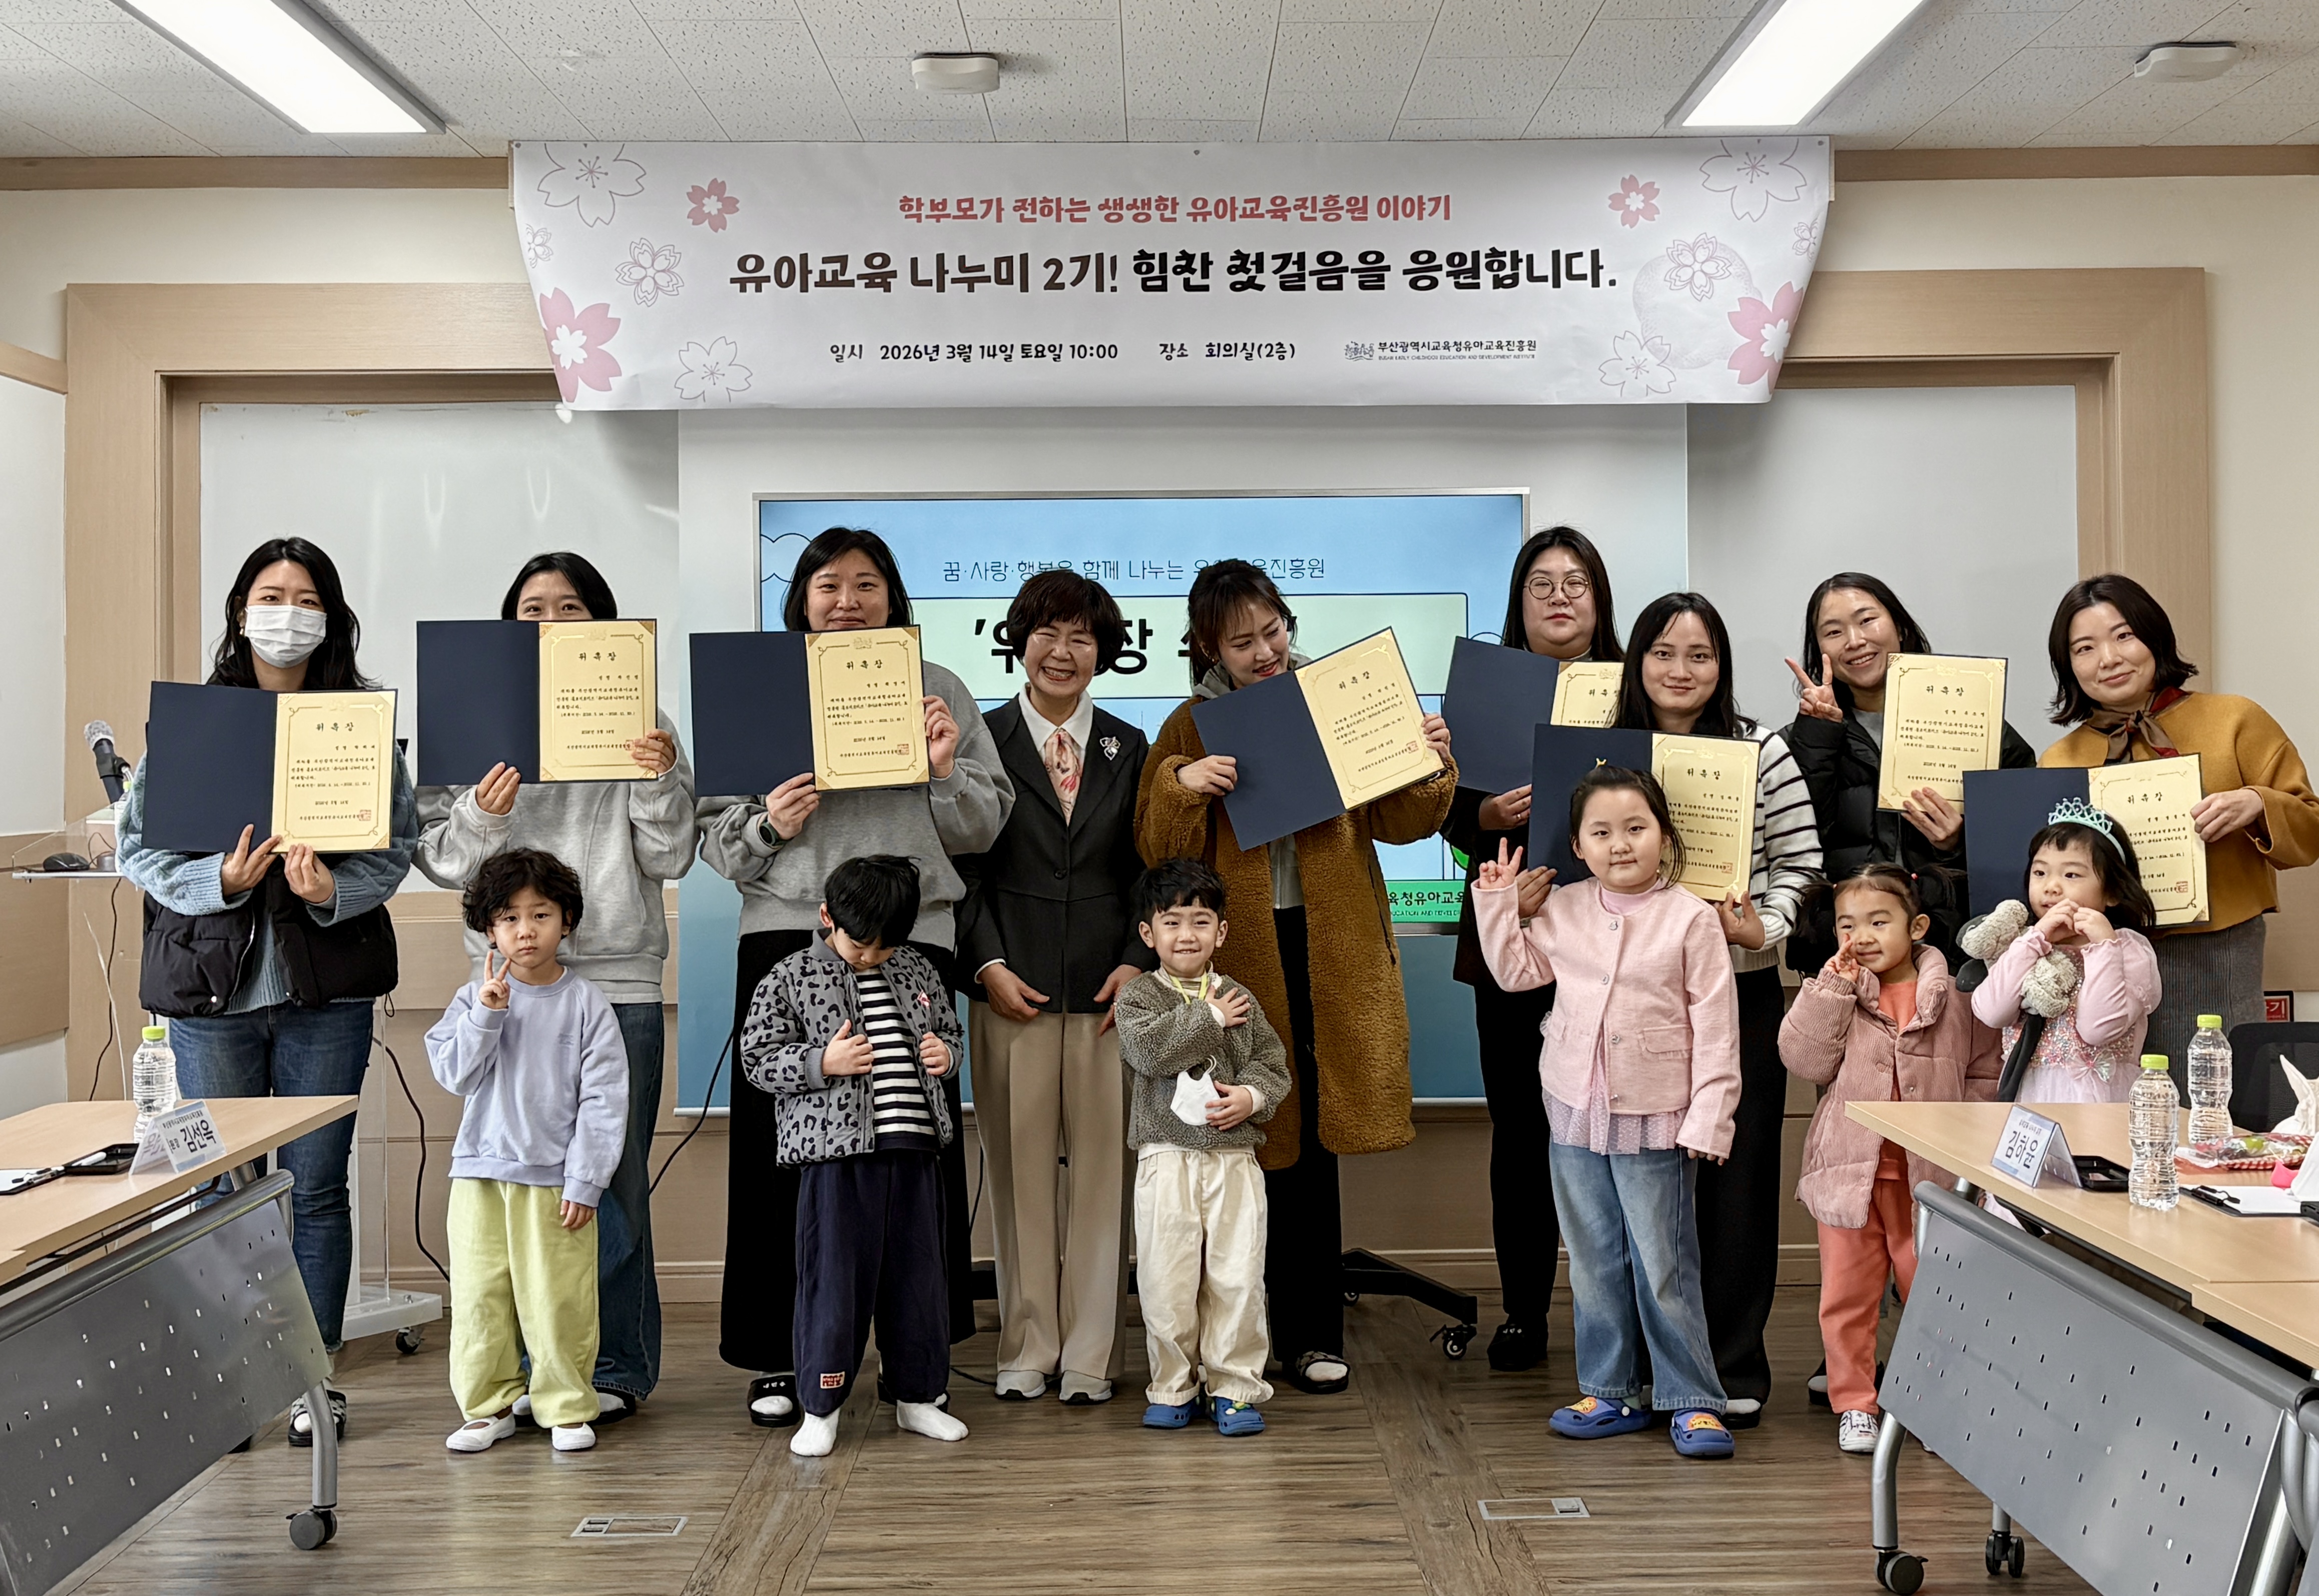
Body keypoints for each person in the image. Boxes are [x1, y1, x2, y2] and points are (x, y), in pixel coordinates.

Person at [698, 528, 1013, 1427]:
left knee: (912, 1146)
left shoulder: (940, 686)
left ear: (893, 598)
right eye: (827, 584)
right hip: (792, 934)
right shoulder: (758, 687)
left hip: (915, 940)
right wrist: (767, 824)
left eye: (866, 585)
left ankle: (917, 1362)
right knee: (781, 1158)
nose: (847, 601)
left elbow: (984, 825)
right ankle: (778, 1357)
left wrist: (947, 772)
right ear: (799, 598)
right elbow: (715, 839)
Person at [116, 536, 416, 1447]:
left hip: (328, 993)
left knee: (317, 1190)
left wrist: (334, 893)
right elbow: (139, 851)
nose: (287, 610)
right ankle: (236, 1377)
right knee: (222, 1193)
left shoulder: (359, 722)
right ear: (241, 610)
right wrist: (223, 883)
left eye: (306, 596)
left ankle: (310, 1378)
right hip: (214, 999)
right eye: (270, 593)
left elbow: (395, 849)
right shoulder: (196, 723)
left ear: (330, 615)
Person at [1136, 559, 1457, 1396]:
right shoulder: (1188, 723)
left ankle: (1313, 1333)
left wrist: (1427, 762)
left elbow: (1403, 818)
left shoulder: (1340, 696)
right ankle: (1234, 1341)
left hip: (1330, 945)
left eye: (1271, 629)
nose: (1263, 649)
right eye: (1241, 641)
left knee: (1311, 1139)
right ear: (1208, 646)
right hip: (1237, 956)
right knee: (1244, 1143)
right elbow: (1151, 847)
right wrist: (1182, 785)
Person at [414, 550, 695, 1424]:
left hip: (616, 976)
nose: (550, 622)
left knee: (608, 1184)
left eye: (570, 607)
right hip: (508, 990)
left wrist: (657, 777)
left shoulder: (640, 715)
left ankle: (611, 1370)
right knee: (524, 1192)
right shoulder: (471, 716)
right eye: (532, 609)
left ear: (603, 624)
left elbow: (671, 853)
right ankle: (535, 1378)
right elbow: (440, 861)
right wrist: (482, 814)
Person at [1470, 768, 1741, 1458]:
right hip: (1572, 1115)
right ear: (1578, 846)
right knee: (1591, 1261)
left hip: (1656, 1115)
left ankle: (1691, 1397)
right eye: (1601, 832)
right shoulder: (1562, 906)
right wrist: (1499, 904)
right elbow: (1514, 973)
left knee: (1663, 1263)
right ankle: (1610, 1388)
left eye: (1635, 828)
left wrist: (1710, 1116)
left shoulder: (1691, 917)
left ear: (1663, 836)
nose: (1619, 844)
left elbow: (1716, 1026)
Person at [1614, 591, 1821, 1428]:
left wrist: (1759, 927)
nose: (1679, 670)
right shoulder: (1605, 751)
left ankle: (1732, 1362)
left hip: (1735, 984)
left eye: (1698, 655)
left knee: (1734, 1179)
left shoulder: (1758, 748)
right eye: (1662, 652)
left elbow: (1801, 865)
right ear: (1636, 661)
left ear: (1720, 667)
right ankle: (1639, 1363)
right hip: (1629, 994)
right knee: (1637, 1178)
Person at [953, 571, 1150, 1405]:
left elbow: (1144, 865)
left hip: (1107, 994)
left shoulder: (1128, 747)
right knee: (1019, 1173)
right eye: (1046, 633)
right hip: (1012, 988)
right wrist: (985, 963)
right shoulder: (978, 741)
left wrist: (1136, 962)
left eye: (1080, 637)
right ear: (1017, 640)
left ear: (1103, 652)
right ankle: (1028, 1345)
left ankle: (1090, 1357)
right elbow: (960, 869)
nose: (1061, 652)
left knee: (1106, 1177)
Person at [1440, 525, 1622, 1371]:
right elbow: (1443, 814)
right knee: (1519, 1130)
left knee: (1616, 1129)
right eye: (1540, 582)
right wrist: (1483, 816)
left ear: (1599, 599)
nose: (1558, 596)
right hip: (1510, 937)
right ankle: (1521, 1310)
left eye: (1575, 582)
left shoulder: (1637, 686)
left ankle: (1613, 1315)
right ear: (1517, 599)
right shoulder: (1484, 688)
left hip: (1619, 944)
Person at [2037, 573, 2319, 1073]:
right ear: (2068, 666)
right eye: (2084, 648)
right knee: (2113, 1103)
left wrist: (2258, 803)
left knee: (2218, 1100)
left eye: (2123, 635)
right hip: (2097, 955)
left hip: (2216, 949)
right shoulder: (2059, 759)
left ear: (2154, 635)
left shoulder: (2234, 718)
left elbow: (2309, 832)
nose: (2107, 658)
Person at [738, 855, 971, 1459]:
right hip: (836, 1162)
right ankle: (820, 1405)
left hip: (915, 1151)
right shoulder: (789, 976)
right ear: (825, 917)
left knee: (918, 1280)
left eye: (885, 947)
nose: (871, 956)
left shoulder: (917, 966)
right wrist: (823, 1063)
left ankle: (918, 1397)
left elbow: (951, 1030)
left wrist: (947, 1054)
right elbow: (758, 1059)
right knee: (833, 1285)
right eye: (860, 943)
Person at [1778, 865, 2000, 1454]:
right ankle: (1854, 1403)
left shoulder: (1957, 998)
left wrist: (1965, 1130)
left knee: (1934, 1293)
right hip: (1848, 1171)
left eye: (1879, 921)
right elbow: (1801, 1059)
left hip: (1930, 1180)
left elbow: (1986, 1070)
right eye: (1848, 925)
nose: (1862, 937)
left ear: (1917, 926)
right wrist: (1828, 988)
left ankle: (1932, 1401)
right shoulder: (1839, 993)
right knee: (1847, 1297)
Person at [426, 849, 629, 1455]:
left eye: (540, 915)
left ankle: (565, 1405)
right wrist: (487, 1016)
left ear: (566, 921)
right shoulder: (473, 998)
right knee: (480, 1296)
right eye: (509, 918)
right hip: (479, 1175)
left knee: (558, 1299)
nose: (525, 930)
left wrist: (585, 1180)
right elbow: (455, 1075)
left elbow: (605, 1100)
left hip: (554, 1182)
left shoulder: (587, 1003)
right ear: (489, 929)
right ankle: (488, 1406)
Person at [1114, 859, 1292, 1438]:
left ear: (1220, 931)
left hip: (1233, 1159)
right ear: (1149, 934)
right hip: (1166, 1157)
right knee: (1167, 1278)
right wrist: (1206, 1016)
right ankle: (1172, 1385)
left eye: (1199, 921)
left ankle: (1235, 1388)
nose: (1185, 934)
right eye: (1171, 922)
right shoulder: (1138, 998)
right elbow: (1149, 1053)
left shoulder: (1241, 996)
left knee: (1237, 1276)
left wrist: (1250, 1097)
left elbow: (1272, 1065)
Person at [1784, 573, 2038, 966]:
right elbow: (1797, 839)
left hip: (1953, 943)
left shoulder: (1972, 716)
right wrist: (1820, 734)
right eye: (1834, 632)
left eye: (1867, 620)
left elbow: (2027, 832)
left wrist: (1960, 841)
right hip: (1846, 951)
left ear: (1900, 626)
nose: (1855, 641)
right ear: (1819, 650)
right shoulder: (1806, 738)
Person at [1965, 810, 2162, 1105]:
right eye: (2040, 873)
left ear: (2113, 892)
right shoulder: (2026, 944)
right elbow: (1991, 1012)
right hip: (2030, 1099)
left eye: (2071, 875)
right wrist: (2035, 939)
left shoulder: (2128, 949)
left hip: (2102, 1105)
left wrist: (2104, 945)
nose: (2051, 886)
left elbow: (2099, 1029)